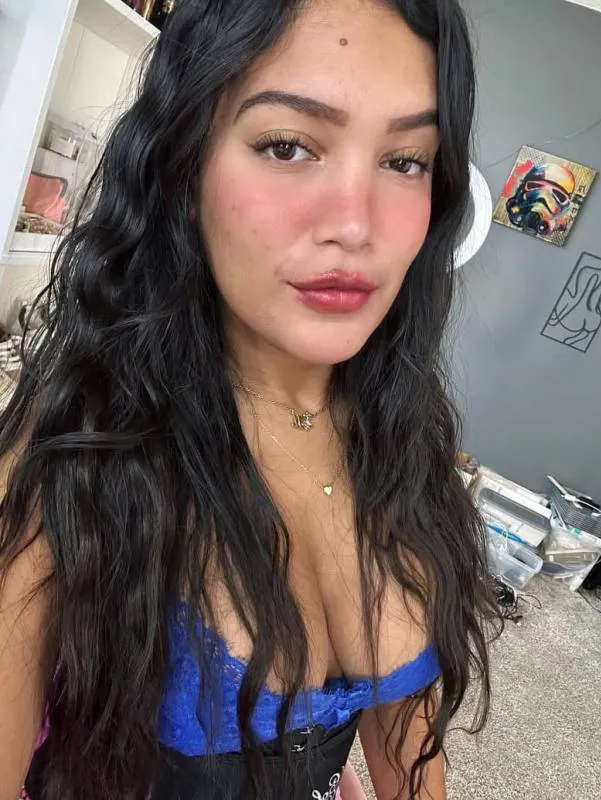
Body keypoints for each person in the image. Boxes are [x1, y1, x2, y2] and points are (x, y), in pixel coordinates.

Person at [0, 0, 499, 798]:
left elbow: (407, 726)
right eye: (287, 146)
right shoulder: (69, 451)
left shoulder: (405, 430)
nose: (356, 225)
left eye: (406, 160)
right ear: (183, 161)